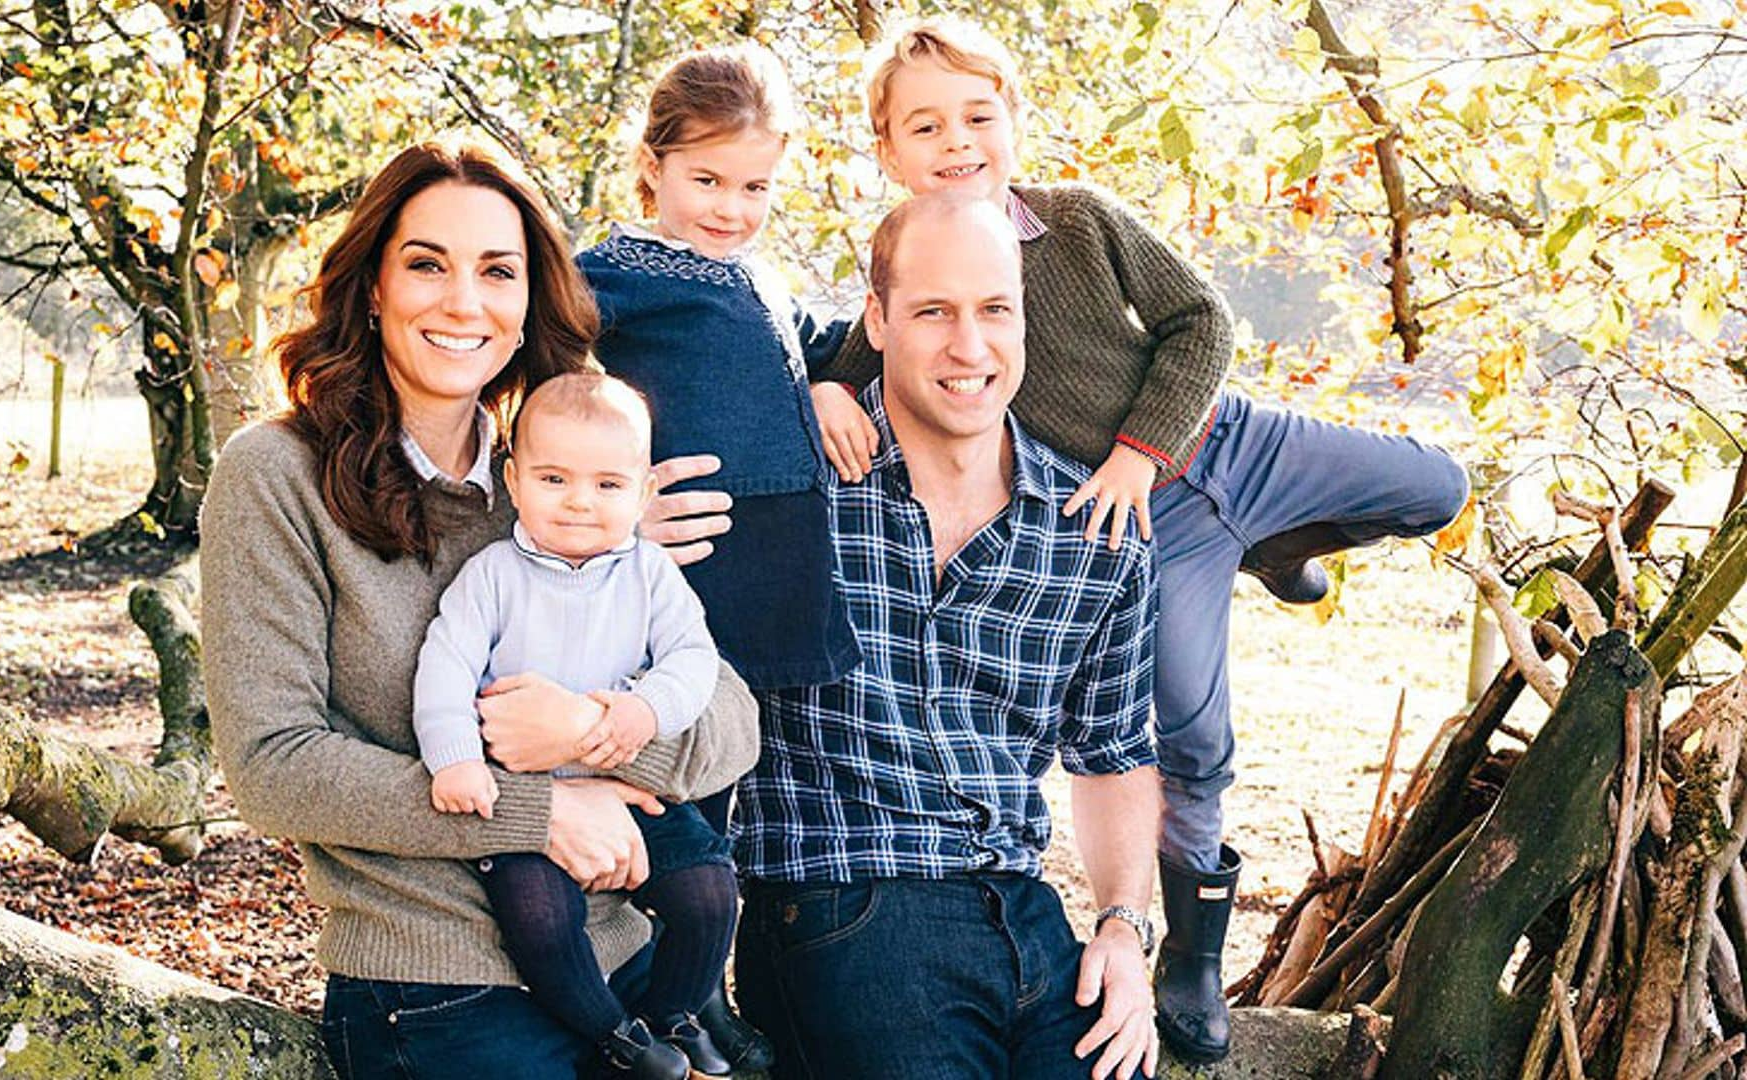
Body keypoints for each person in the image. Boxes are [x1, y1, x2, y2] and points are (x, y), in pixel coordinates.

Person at [808, 18, 1470, 1064]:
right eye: (925, 126)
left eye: (979, 114)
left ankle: (1282, 541)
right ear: (887, 151)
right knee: (1193, 738)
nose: (958, 141)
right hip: (1148, 531)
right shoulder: (910, 270)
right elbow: (860, 353)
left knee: (1438, 486)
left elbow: (1200, 320)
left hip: (1225, 444)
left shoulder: (1078, 221)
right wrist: (822, 387)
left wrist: (1137, 449)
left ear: (1015, 119)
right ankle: (1194, 960)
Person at [197, 139, 759, 1080]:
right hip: (440, 989)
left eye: (498, 271)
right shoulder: (275, 476)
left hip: (629, 957)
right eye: (427, 264)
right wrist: (536, 813)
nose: (464, 301)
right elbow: (273, 766)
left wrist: (592, 727)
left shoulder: (557, 480)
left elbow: (731, 717)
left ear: (530, 298)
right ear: (372, 287)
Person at [731, 193, 1163, 1080]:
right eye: (933, 311)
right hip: (844, 900)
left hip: (1027, 917)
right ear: (879, 320)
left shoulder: (1093, 533)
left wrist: (1124, 927)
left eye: (994, 310)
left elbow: (1114, 754)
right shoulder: (789, 494)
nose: (970, 347)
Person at [575, 44, 858, 1069]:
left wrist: (828, 382)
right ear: (652, 165)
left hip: (775, 565)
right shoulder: (615, 273)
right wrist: (607, 493)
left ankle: (706, 986)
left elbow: (820, 339)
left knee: (731, 789)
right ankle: (669, 991)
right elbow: (540, 377)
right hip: (692, 565)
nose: (731, 207)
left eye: (755, 186)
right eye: (706, 180)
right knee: (677, 786)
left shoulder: (758, 273)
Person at [410, 372, 737, 1079]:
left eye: (608, 485)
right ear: (515, 479)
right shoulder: (492, 575)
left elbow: (692, 660)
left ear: (645, 492)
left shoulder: (651, 575)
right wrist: (455, 758)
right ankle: (616, 1034)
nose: (580, 502)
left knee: (709, 890)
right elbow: (444, 665)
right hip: (522, 802)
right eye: (554, 478)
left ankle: (675, 1011)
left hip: (622, 787)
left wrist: (644, 711)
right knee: (541, 920)